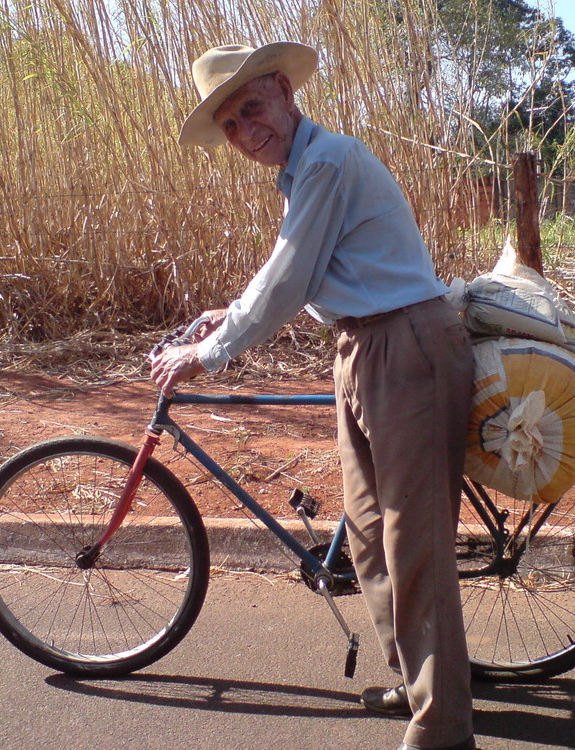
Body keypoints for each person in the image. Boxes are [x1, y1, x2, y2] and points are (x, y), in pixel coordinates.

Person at [152, 42, 475, 750]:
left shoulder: (326, 161)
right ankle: (418, 684)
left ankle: (443, 729)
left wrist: (210, 352)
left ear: (283, 90)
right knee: (367, 541)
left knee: (412, 547)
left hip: (406, 347)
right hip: (364, 349)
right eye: (231, 124)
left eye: (252, 108)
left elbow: (291, 278)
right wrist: (225, 313)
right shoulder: (303, 172)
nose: (246, 129)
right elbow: (287, 264)